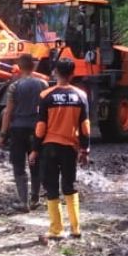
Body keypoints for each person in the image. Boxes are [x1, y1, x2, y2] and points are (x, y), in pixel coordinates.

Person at [30, 59, 90, 240]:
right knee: (69, 186)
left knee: (51, 187)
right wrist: (85, 149)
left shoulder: (46, 95)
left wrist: (34, 149)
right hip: (70, 148)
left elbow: (41, 126)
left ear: (55, 72)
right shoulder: (81, 95)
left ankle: (56, 230)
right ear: (72, 74)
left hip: (49, 147)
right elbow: (85, 126)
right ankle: (76, 228)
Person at [0, 54, 46, 211]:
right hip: (37, 130)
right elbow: (46, 110)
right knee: (35, 164)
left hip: (18, 130)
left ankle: (23, 202)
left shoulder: (14, 86)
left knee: (18, 165)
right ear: (34, 66)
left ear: (19, 67)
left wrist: (2, 134)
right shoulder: (43, 84)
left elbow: (8, 113)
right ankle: (35, 199)